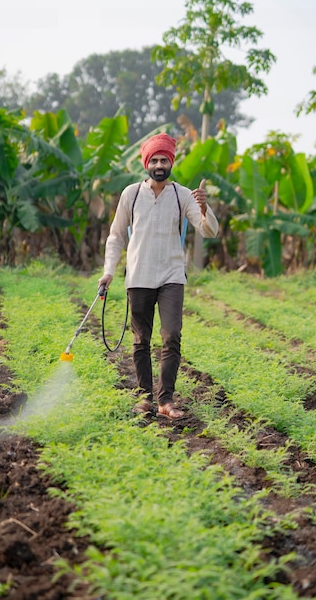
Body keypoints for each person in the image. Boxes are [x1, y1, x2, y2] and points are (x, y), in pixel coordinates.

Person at [98, 133, 219, 419]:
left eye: (165, 159)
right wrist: (108, 271)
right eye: (155, 159)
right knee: (141, 340)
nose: (160, 164)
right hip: (138, 276)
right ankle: (145, 398)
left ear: (171, 162)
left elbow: (209, 230)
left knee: (172, 335)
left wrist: (204, 207)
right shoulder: (132, 194)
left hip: (172, 276)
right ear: (147, 163)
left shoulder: (182, 195)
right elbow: (115, 236)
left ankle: (165, 401)